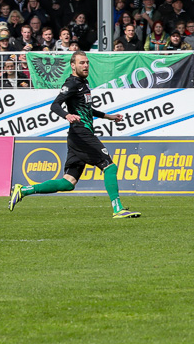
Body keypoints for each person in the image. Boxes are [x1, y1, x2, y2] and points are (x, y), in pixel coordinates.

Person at [8, 51, 140, 219]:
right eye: (81, 63)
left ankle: (24, 190)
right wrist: (67, 115)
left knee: (68, 182)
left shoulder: (82, 84)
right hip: (81, 134)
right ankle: (118, 209)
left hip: (77, 136)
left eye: (87, 63)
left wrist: (109, 117)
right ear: (73, 65)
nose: (85, 66)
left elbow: (87, 109)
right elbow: (55, 105)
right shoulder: (71, 84)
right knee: (109, 166)